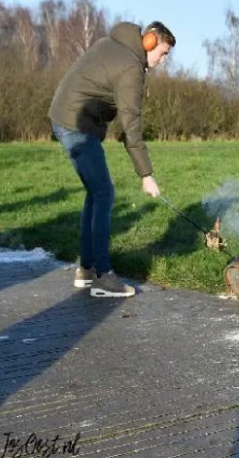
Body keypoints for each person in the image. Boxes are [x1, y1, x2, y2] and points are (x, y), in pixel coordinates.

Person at [48, 21, 175, 297]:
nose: (163, 61)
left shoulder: (113, 43)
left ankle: (87, 269)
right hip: (76, 124)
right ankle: (104, 277)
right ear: (150, 42)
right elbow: (131, 126)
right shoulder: (131, 67)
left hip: (67, 117)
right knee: (104, 193)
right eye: (162, 53)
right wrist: (146, 175)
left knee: (96, 194)